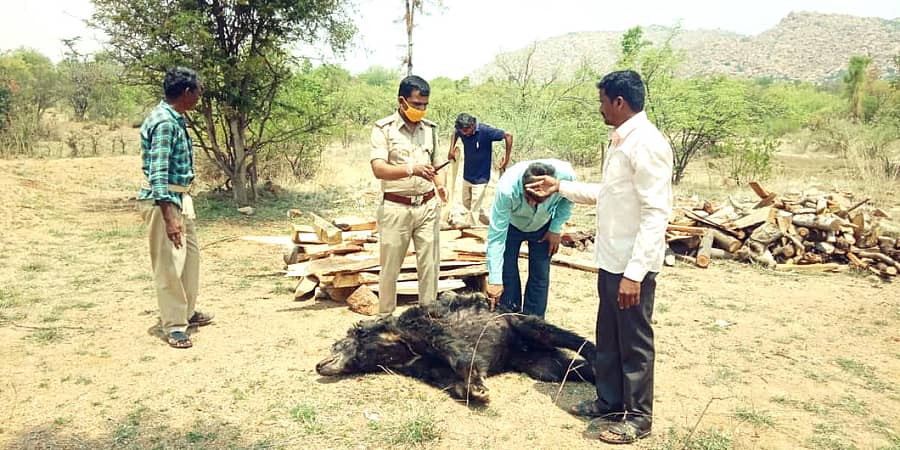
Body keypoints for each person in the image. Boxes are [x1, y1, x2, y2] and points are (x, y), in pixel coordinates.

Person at [525, 70, 673, 444]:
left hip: (631, 266)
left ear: (619, 102)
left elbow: (657, 214)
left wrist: (635, 274)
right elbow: (608, 194)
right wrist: (559, 186)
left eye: (603, 101)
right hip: (611, 261)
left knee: (634, 343)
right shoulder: (621, 141)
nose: (600, 108)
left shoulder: (647, 144)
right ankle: (608, 400)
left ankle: (638, 418)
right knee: (608, 337)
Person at [137, 67, 214, 349]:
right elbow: (158, 173)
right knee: (169, 265)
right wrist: (170, 216)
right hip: (165, 202)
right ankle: (174, 325)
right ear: (186, 93)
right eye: (197, 92)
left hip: (181, 198)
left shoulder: (175, 118)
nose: (199, 97)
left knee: (189, 259)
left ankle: (187, 312)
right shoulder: (165, 122)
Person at [370, 75, 448, 314]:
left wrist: (440, 184)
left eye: (425, 105)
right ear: (402, 101)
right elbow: (378, 169)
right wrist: (411, 169)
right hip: (396, 208)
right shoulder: (383, 129)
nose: (421, 110)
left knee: (429, 267)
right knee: (390, 268)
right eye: (416, 105)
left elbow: (436, 164)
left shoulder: (430, 130)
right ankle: (385, 320)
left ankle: (429, 320)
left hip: (427, 206)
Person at [485, 160, 575, 318]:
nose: (533, 203)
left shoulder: (566, 178)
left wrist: (555, 228)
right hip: (512, 227)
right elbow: (496, 237)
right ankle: (510, 319)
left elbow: (567, 201)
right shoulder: (506, 189)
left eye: (539, 200)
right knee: (507, 274)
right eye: (529, 199)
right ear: (522, 186)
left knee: (540, 274)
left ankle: (534, 323)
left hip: (543, 225)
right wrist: (494, 279)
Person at [447, 113, 512, 225]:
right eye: (462, 132)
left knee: (474, 206)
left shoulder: (486, 131)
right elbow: (455, 133)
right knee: (467, 203)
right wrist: (451, 148)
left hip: (481, 176)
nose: (464, 134)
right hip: (468, 174)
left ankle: (469, 228)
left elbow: (508, 135)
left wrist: (506, 158)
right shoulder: (462, 130)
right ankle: (492, 224)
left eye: (465, 131)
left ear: (472, 126)